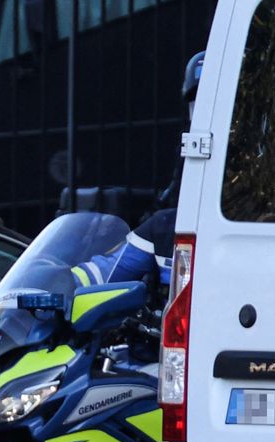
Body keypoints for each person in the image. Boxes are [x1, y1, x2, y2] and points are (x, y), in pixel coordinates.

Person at [74, 51, 202, 287]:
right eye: (197, 102)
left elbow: (108, 273)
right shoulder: (165, 225)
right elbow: (102, 275)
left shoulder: (165, 226)